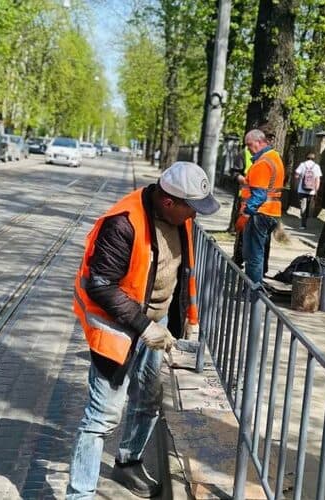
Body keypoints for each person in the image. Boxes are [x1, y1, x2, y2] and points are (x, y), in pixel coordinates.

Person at [67, 161, 220, 499]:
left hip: (155, 322)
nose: (194, 216)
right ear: (169, 202)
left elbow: (181, 274)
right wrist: (143, 326)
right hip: (115, 325)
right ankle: (79, 494)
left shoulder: (181, 220)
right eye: (191, 208)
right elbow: (101, 286)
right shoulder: (123, 223)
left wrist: (185, 321)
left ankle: (128, 463)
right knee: (103, 415)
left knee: (148, 400)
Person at [237, 129, 285, 284]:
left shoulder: (262, 163)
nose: (248, 148)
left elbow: (259, 195)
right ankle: (254, 287)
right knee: (257, 252)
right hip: (272, 212)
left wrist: (246, 212)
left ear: (258, 142)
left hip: (260, 213)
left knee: (254, 254)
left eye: (249, 145)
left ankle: (253, 290)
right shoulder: (275, 157)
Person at [294, 152, 322, 229]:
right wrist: (316, 190)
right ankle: (305, 219)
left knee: (303, 207)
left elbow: (296, 176)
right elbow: (318, 179)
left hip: (302, 190)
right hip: (311, 191)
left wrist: (300, 177)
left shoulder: (302, 165)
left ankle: (303, 225)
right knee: (308, 207)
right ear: (314, 159)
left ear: (306, 158)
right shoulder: (316, 166)